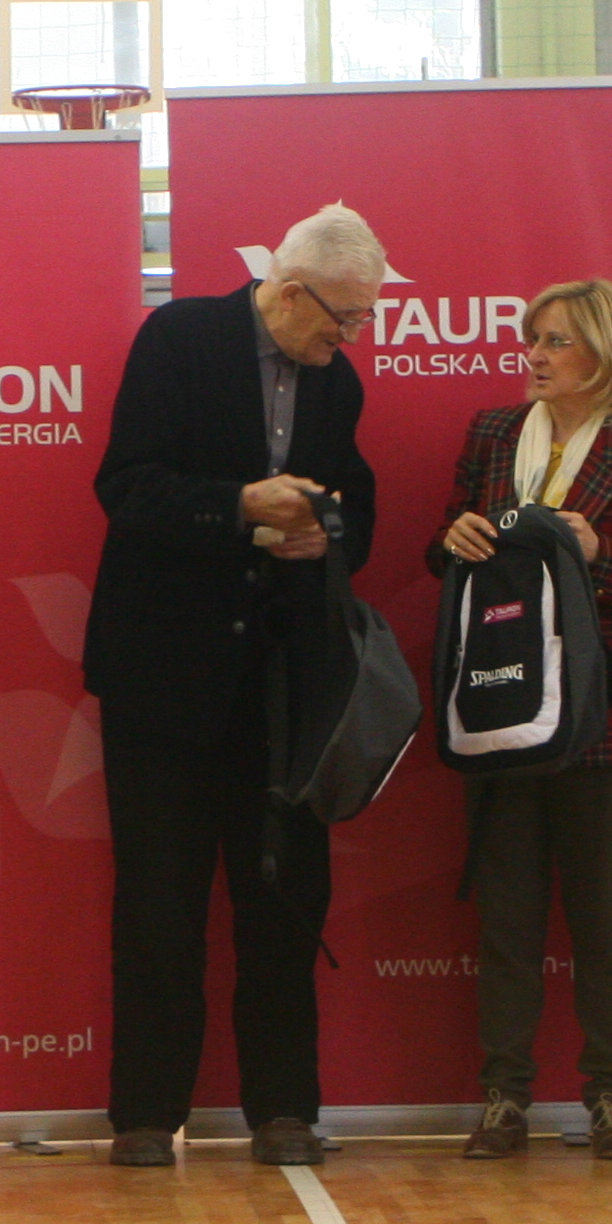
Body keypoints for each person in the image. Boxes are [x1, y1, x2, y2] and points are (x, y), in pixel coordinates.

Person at [84, 201, 382, 1169]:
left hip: (283, 688)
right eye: (342, 316)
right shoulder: (179, 339)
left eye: (364, 318)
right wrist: (241, 508)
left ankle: (284, 1107)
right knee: (158, 905)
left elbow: (359, 510)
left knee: (284, 903)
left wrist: (324, 536)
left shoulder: (338, 385)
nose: (350, 338)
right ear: (290, 294)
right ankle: (145, 1113)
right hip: (162, 679)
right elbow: (126, 486)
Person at [429, 279, 612, 1161]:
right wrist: (455, 541)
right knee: (506, 921)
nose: (533, 355)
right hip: (501, 702)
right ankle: (504, 1098)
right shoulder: (494, 433)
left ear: (608, 352)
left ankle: (611, 1097)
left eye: (556, 341)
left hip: (604, 715)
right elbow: (442, 548)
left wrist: (596, 550)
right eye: (532, 338)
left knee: (607, 923)